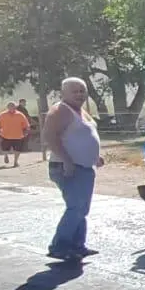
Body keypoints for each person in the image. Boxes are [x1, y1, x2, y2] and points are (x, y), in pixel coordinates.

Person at [42, 77, 103, 262]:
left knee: (81, 208)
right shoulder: (60, 110)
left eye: (82, 91)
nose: (79, 94)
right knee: (76, 207)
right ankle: (59, 246)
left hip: (84, 167)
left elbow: (83, 136)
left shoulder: (81, 111)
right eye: (74, 91)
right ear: (64, 93)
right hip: (68, 168)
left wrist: (95, 155)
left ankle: (77, 245)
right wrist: (66, 160)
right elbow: (49, 137)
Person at [0, 102, 31, 167]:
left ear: (15, 107)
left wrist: (26, 132)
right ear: (7, 107)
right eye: (10, 106)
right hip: (5, 135)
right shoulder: (2, 115)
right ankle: (6, 156)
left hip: (18, 136)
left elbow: (26, 125)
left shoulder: (20, 115)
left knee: (17, 150)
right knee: (5, 148)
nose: (11, 107)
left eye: (13, 106)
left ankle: (15, 162)